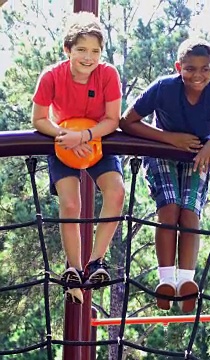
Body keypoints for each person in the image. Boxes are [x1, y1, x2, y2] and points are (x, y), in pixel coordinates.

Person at [120, 38, 210, 312]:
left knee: (190, 214)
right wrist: (169, 139)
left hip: (198, 157)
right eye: (190, 69)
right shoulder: (163, 89)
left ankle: (186, 282)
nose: (197, 75)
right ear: (178, 67)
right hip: (162, 153)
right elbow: (127, 121)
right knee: (169, 209)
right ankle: (166, 280)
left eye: (204, 69)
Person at [31, 12, 125, 304]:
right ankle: (72, 268)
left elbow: (112, 119)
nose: (89, 57)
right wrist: (65, 137)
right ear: (67, 49)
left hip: (96, 139)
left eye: (95, 51)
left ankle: (96, 262)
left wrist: (84, 136)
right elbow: (38, 119)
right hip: (63, 143)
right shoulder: (52, 76)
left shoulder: (107, 74)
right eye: (82, 49)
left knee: (117, 192)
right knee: (71, 203)